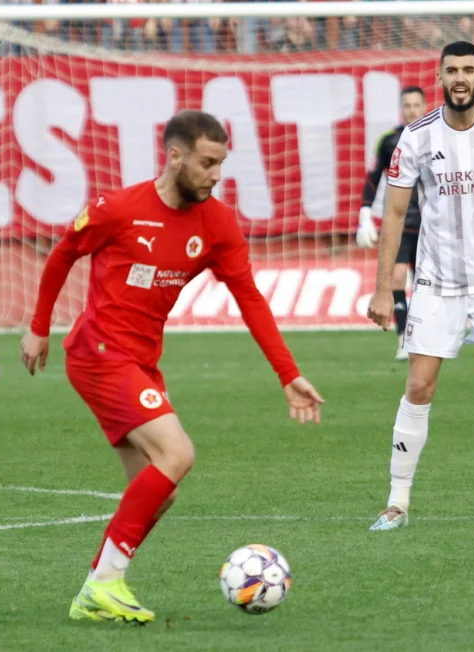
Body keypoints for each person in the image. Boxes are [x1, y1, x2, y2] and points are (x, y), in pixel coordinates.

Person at [20, 110, 324, 624]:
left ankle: (95, 589)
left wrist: (287, 373)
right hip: (98, 354)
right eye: (207, 163)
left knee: (160, 491)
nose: (215, 175)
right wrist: (38, 325)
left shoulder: (217, 224)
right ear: (175, 156)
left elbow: (249, 297)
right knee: (177, 453)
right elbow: (63, 254)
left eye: (221, 164)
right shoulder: (118, 209)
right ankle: (106, 582)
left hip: (140, 364)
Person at [366, 41, 474, 532]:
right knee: (419, 386)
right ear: (440, 77)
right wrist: (383, 288)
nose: (460, 78)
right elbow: (394, 214)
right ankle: (397, 502)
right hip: (435, 280)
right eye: (452, 71)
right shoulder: (416, 137)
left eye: (469, 70)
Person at [356, 86, 428, 361]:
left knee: (426, 282)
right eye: (407, 105)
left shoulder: (436, 137)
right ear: (401, 109)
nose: (411, 110)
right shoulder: (389, 140)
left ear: (424, 107)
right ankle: (403, 337)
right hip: (400, 221)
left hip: (431, 223)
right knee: (397, 276)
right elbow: (373, 176)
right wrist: (365, 213)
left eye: (416, 105)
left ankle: (426, 336)